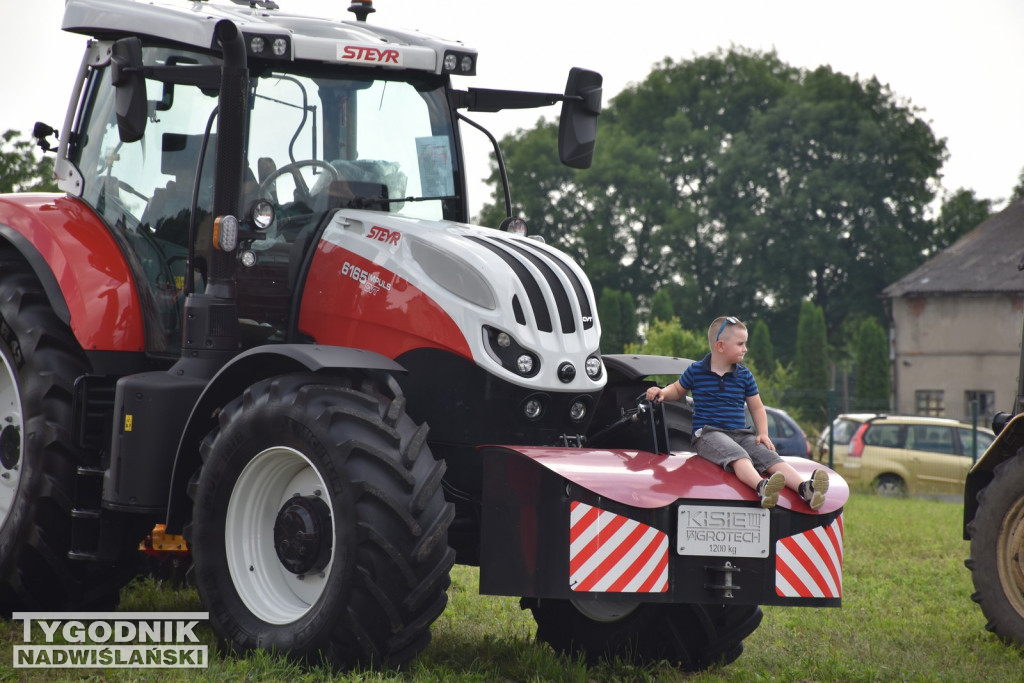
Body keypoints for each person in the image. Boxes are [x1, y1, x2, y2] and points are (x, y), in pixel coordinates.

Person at [645, 316, 829, 510]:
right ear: (721, 346)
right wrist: (662, 392)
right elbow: (677, 389)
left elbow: (757, 407)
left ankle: (805, 488)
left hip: (740, 433)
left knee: (768, 456)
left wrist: (763, 433)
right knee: (738, 456)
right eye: (741, 344)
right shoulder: (696, 371)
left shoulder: (745, 375)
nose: (745, 348)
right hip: (708, 433)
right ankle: (762, 487)